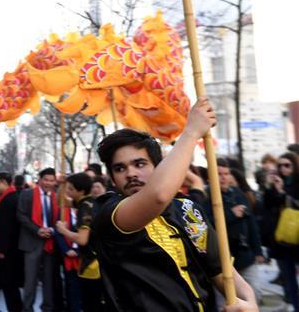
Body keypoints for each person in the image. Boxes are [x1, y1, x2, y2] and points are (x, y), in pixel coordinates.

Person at [91, 98, 258, 311]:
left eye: (139, 164)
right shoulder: (108, 212)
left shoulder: (186, 209)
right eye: (120, 168)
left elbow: (221, 271)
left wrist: (248, 300)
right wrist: (190, 133)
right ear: (113, 179)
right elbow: (158, 195)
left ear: (158, 167)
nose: (131, 173)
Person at [209, 160, 263, 303]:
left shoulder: (238, 194)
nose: (223, 177)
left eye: (226, 174)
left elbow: (251, 224)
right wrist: (231, 214)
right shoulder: (206, 197)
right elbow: (205, 226)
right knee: (225, 301)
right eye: (219, 174)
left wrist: (258, 250)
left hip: (245, 256)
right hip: (221, 260)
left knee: (254, 292)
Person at [54, 172, 102, 311]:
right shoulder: (87, 201)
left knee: (91, 304)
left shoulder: (85, 208)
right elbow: (60, 201)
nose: (68, 191)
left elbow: (82, 239)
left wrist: (64, 231)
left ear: (80, 191)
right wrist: (62, 185)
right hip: (94, 261)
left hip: (93, 265)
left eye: (70, 189)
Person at [17, 167, 59, 312]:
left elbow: (60, 218)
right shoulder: (27, 194)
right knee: (30, 281)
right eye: (46, 180)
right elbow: (21, 215)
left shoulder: (57, 196)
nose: (48, 183)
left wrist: (52, 230)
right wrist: (37, 230)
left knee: (49, 280)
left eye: (51, 180)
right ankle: (27, 308)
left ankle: (47, 308)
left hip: (50, 243)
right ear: (40, 180)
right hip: (31, 243)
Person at [263, 151, 299, 310]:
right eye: (280, 165)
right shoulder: (275, 185)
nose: (284, 169)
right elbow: (267, 207)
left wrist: (284, 194)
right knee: (288, 277)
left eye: (287, 165)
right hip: (281, 239)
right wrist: (271, 188)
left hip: (297, 237)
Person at [0, 172, 24, 312]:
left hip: (9, 250)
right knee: (11, 284)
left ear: (5, 182)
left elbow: (5, 227)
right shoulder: (10, 197)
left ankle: (14, 308)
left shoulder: (8, 200)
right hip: (13, 248)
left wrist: (1, 250)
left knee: (9, 283)